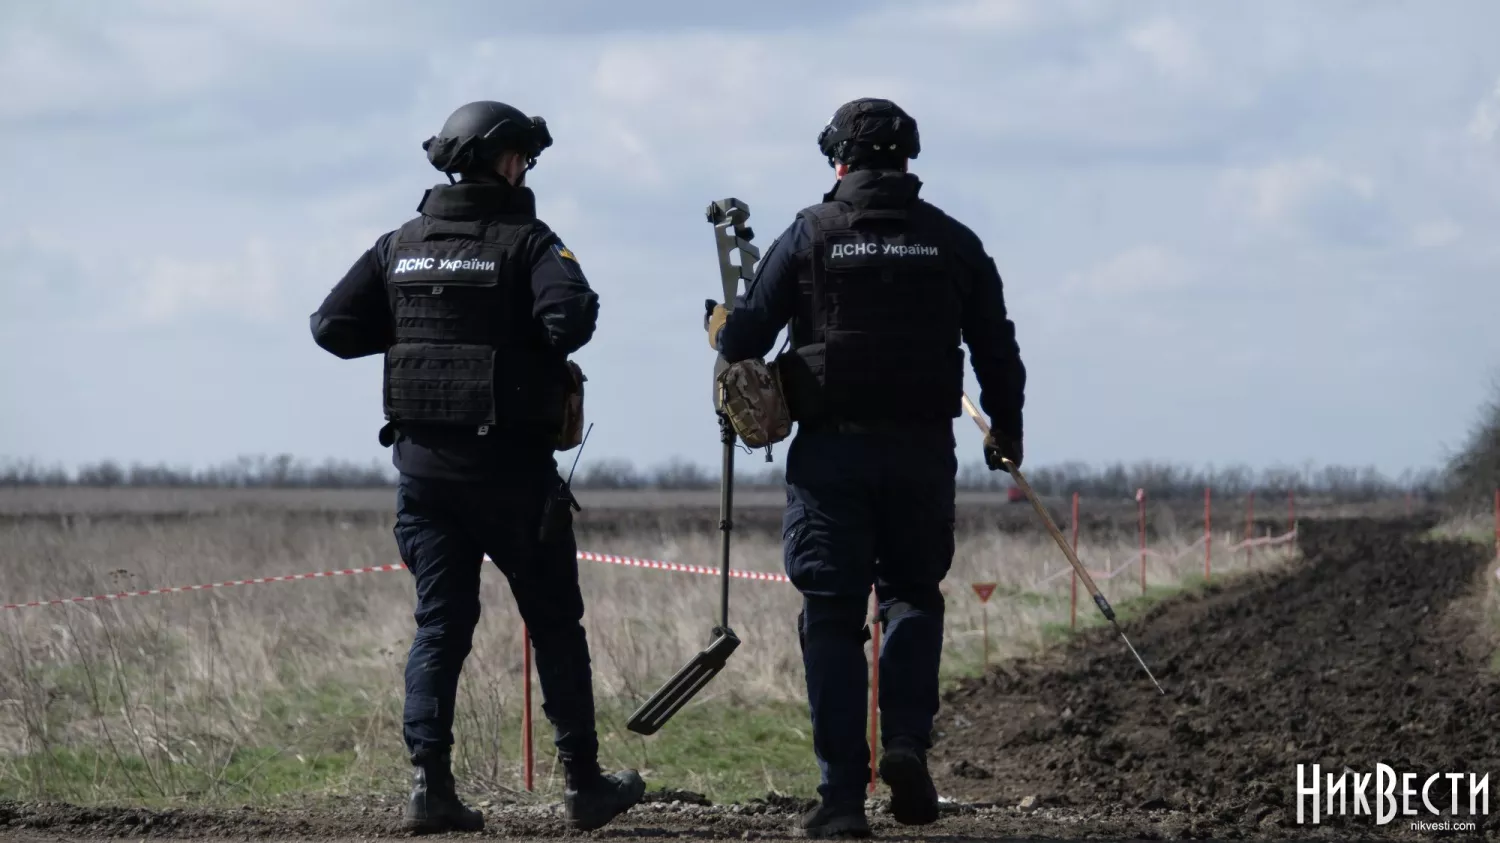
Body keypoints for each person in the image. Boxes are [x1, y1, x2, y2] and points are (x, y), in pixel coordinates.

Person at [310, 100, 644, 834]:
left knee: (440, 628)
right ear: (504, 161)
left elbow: (330, 326)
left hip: (425, 480)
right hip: (514, 477)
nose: (525, 167)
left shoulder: (398, 244)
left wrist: (414, 339)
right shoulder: (528, 241)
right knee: (556, 624)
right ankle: (584, 785)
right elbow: (572, 318)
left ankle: (430, 785)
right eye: (522, 156)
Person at [705, 98, 1026, 838]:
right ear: (907, 159)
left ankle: (842, 797)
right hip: (921, 452)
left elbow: (745, 337)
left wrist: (722, 323)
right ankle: (908, 745)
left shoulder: (810, 234)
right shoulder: (953, 241)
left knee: (832, 614)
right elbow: (997, 351)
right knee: (913, 595)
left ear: (839, 162)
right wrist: (1005, 432)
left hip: (832, 457)